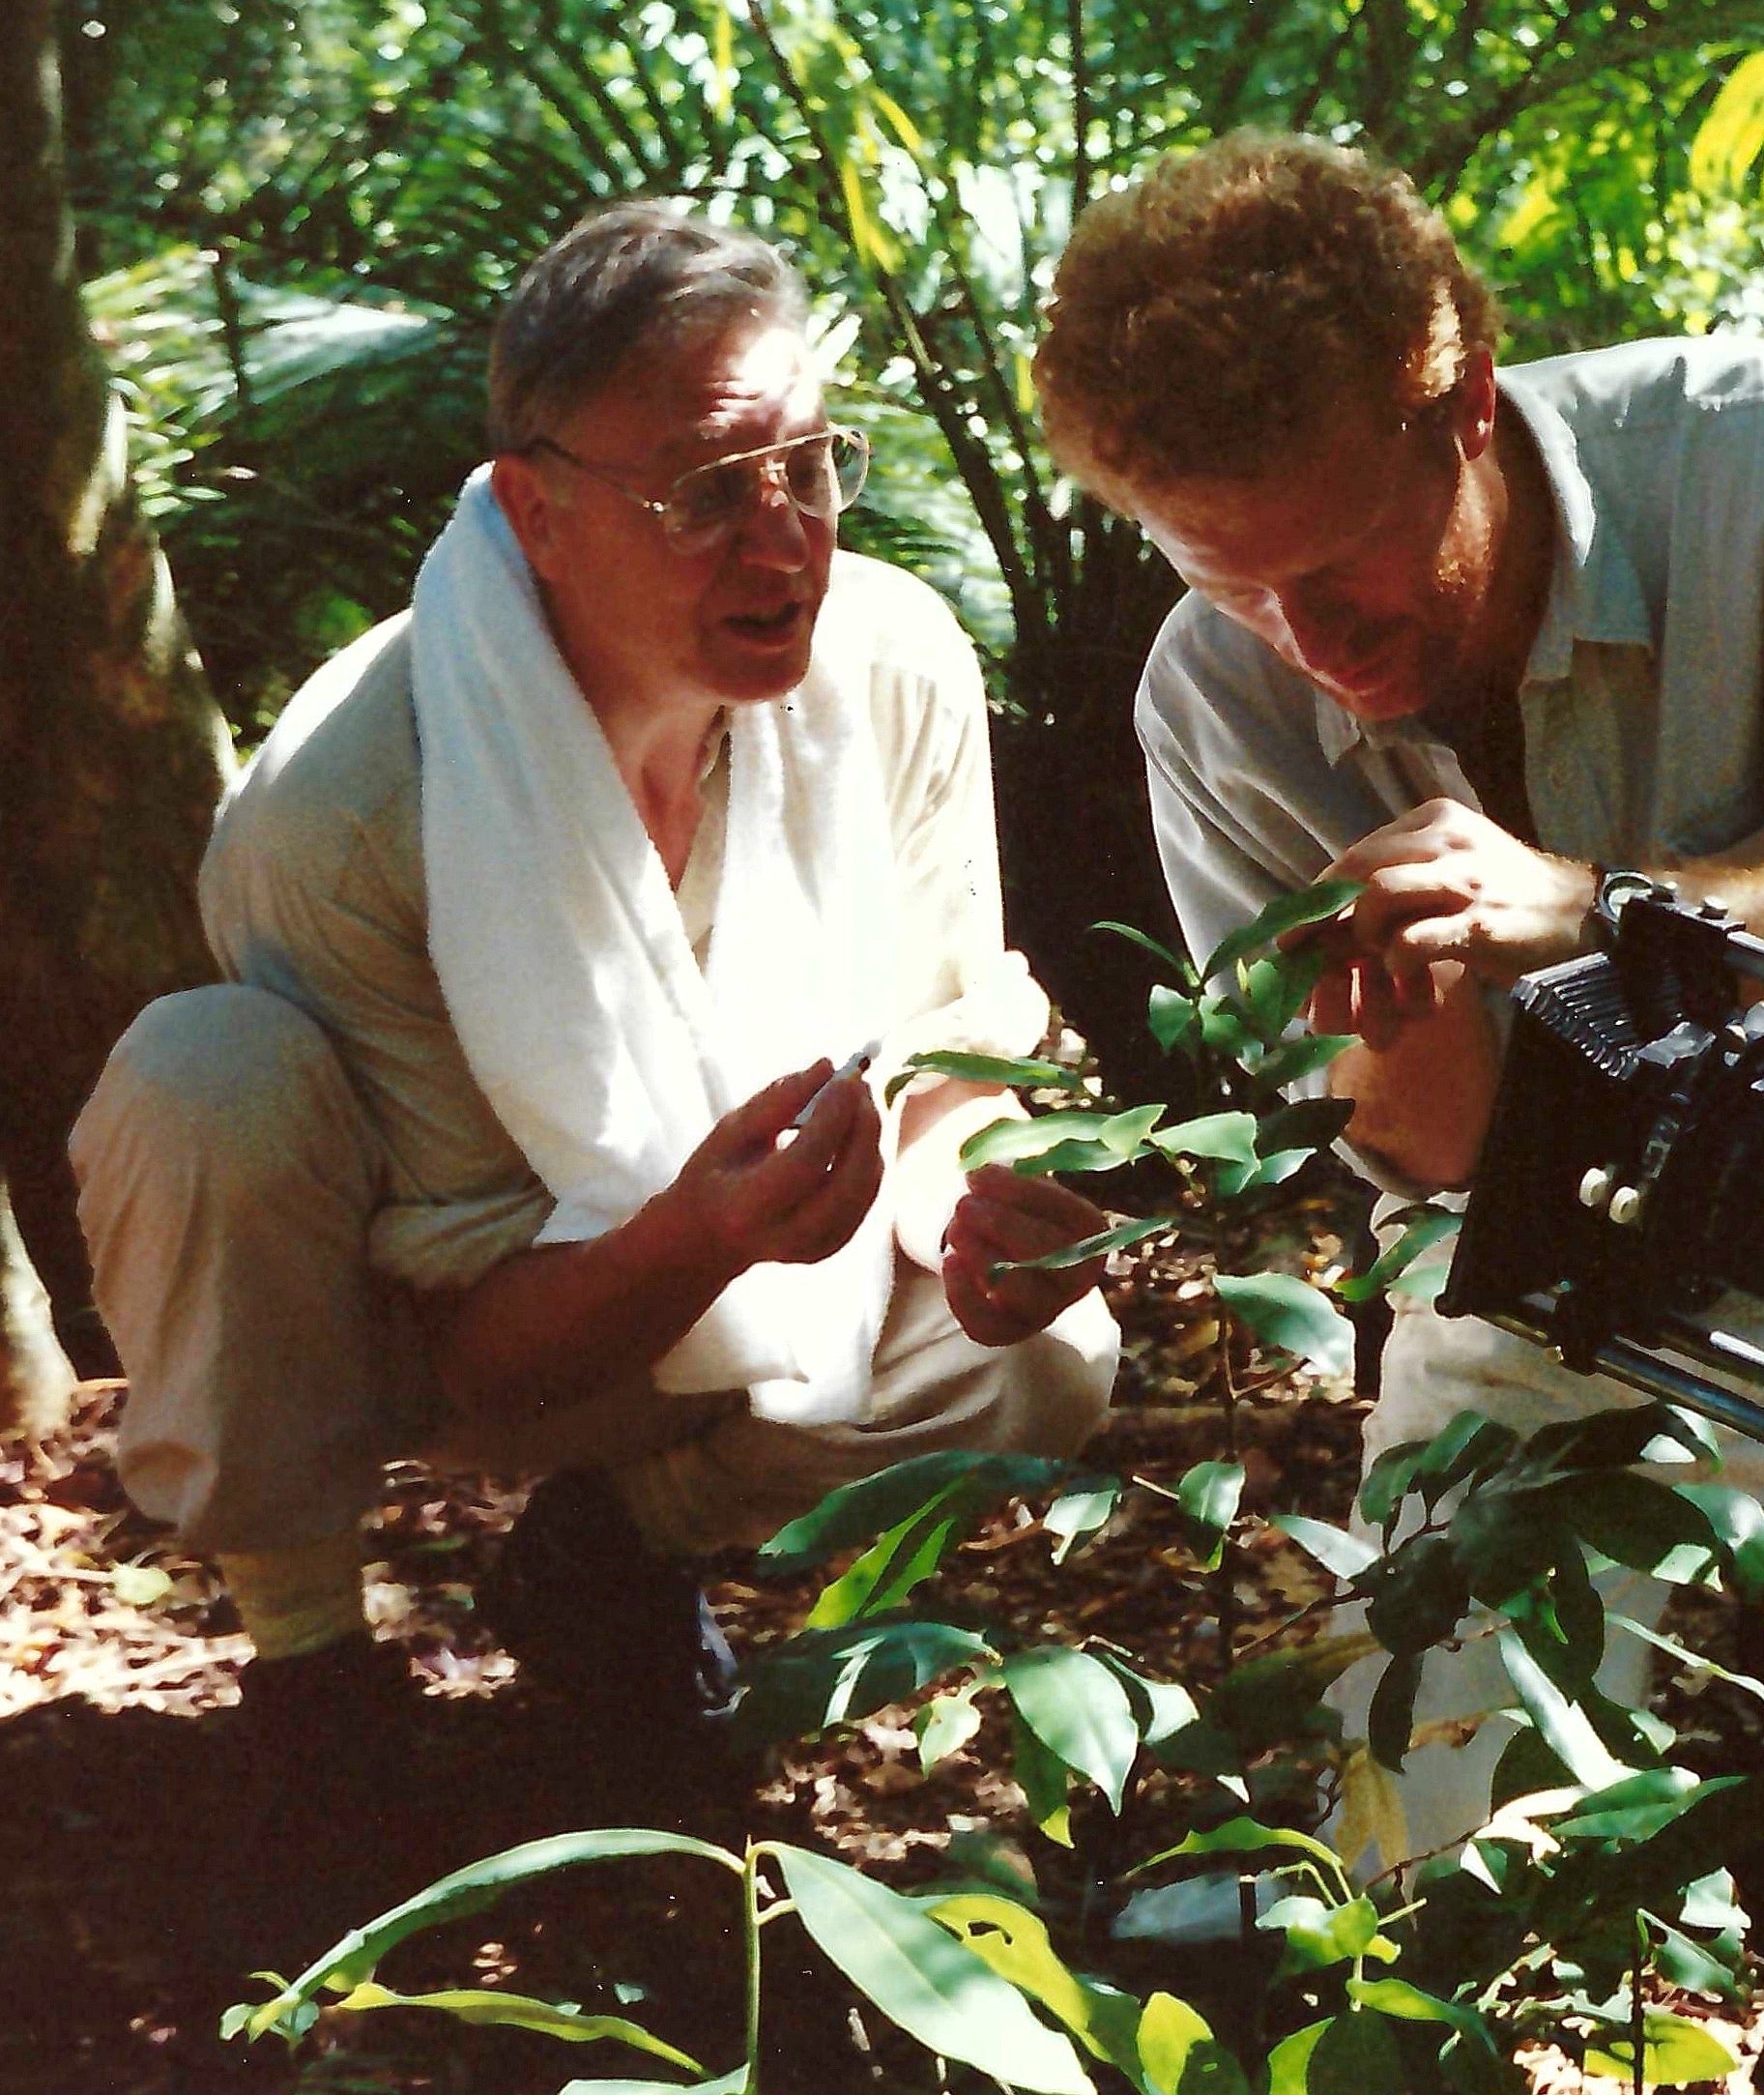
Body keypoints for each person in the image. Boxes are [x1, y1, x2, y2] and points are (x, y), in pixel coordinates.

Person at [1031, 131, 1764, 1980]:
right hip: (1528, 1295)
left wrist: (1604, 908)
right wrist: (1399, 1036)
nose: (1310, 642)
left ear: (1466, 408)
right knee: (1437, 1917)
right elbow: (1427, 1178)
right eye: (1234, 580)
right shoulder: (1212, 691)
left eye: (1341, 565)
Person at [72, 204, 1122, 1858]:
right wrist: (700, 1234)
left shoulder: (896, 665)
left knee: (1049, 1362)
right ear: (536, 516)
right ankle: (307, 1656)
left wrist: (961, 1212)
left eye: (808, 469)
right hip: (416, 1328)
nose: (781, 543)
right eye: (708, 491)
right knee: (206, 1079)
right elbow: (495, 1356)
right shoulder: (351, 803)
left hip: (742, 1288)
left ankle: (617, 1557)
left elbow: (943, 1051)